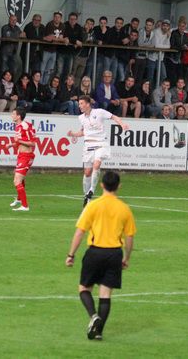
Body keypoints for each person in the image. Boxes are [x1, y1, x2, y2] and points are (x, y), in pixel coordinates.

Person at [65, 170, 136, 341]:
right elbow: (129, 237)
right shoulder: (124, 209)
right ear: (119, 186)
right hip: (114, 254)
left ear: (102, 185)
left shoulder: (93, 206)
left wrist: (71, 254)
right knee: (105, 294)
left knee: (84, 288)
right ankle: (98, 332)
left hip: (95, 252)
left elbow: (80, 232)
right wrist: (126, 258)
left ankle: (93, 316)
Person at [67, 96, 129, 207]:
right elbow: (83, 132)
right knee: (87, 173)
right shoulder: (81, 118)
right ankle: (86, 196)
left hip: (101, 143)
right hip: (88, 145)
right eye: (79, 104)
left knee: (97, 164)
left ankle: (91, 190)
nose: (79, 106)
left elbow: (114, 117)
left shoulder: (99, 112)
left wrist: (122, 124)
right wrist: (73, 134)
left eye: (81, 103)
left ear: (88, 104)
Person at [7, 107, 36, 212]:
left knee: (17, 180)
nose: (12, 115)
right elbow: (21, 141)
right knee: (20, 178)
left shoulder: (24, 126)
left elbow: (32, 143)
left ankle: (25, 206)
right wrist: (11, 144)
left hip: (26, 156)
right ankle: (19, 199)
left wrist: (19, 141)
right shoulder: (19, 126)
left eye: (13, 114)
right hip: (21, 155)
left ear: (18, 116)